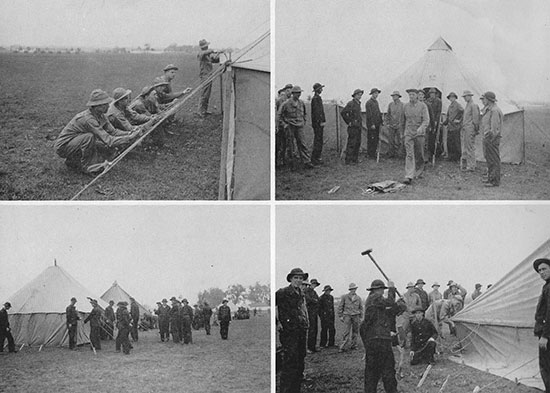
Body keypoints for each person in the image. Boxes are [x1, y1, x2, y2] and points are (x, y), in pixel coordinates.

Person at [54, 90, 140, 174]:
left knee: (101, 146)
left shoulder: (101, 115)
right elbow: (109, 140)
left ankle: (73, 162)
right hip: (63, 147)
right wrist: (129, 138)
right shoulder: (89, 119)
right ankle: (87, 167)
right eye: (105, 104)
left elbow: (113, 132)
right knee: (89, 137)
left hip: (76, 142)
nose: (108, 106)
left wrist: (129, 133)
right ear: (98, 106)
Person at [360, 279, 405, 393]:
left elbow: (390, 309)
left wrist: (400, 304)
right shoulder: (374, 298)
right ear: (376, 290)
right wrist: (392, 288)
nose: (381, 292)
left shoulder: (377, 305)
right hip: (379, 341)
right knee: (385, 369)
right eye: (381, 289)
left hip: (376, 341)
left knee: (376, 371)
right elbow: (389, 302)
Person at [276, 267, 309, 393]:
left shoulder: (301, 293)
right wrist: (277, 322)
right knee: (290, 362)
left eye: (301, 278)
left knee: (300, 361)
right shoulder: (282, 292)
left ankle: (296, 389)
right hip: (289, 332)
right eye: (296, 278)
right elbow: (273, 305)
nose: (298, 280)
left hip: (301, 330)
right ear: (290, 279)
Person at [278, 86, 314, 169]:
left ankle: (306, 162)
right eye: (297, 93)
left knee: (302, 144)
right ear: (293, 94)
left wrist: (304, 121)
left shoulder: (301, 103)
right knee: (290, 146)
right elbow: (279, 115)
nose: (299, 94)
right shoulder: (286, 104)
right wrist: (284, 124)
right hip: (290, 126)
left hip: (299, 126)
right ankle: (292, 163)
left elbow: (304, 113)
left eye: (300, 93)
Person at [402, 88, 429, 184]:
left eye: (413, 95)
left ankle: (419, 171)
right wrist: (403, 133)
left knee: (419, 154)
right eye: (410, 95)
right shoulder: (405, 106)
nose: (411, 96)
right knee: (409, 154)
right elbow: (403, 120)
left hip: (419, 134)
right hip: (408, 133)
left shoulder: (423, 106)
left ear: (417, 95)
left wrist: (421, 128)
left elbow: (426, 120)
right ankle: (409, 175)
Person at [480, 91, 504, 187]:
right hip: (488, 137)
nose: (483, 101)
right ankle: (491, 177)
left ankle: (494, 181)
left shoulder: (494, 110)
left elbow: (494, 128)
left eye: (484, 99)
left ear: (489, 100)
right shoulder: (489, 109)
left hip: (491, 138)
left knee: (493, 159)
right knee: (489, 158)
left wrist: (490, 138)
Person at [534, 258, 550, 391]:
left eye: (544, 269)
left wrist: (545, 335)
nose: (541, 272)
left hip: (547, 333)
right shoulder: (546, 286)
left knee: (546, 366)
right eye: (539, 271)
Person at [197, 39, 221, 117]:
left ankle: (204, 110)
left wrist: (219, 53)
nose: (207, 46)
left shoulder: (207, 55)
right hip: (204, 76)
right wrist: (212, 50)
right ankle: (201, 111)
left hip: (209, 75)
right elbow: (204, 53)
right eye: (206, 45)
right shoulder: (201, 54)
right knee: (204, 94)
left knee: (207, 94)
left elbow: (215, 60)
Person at [341, 89, 364, 165]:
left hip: (358, 126)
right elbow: (343, 112)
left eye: (360, 95)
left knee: (357, 143)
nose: (359, 96)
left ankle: (355, 159)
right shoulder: (351, 103)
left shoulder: (358, 103)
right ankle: (348, 160)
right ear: (354, 95)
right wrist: (349, 122)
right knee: (352, 143)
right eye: (358, 95)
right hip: (353, 127)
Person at [338, 282, 363, 352]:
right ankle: (343, 346)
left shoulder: (358, 298)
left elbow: (361, 308)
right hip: (347, 316)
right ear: (350, 289)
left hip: (356, 316)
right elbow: (340, 307)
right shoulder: (345, 297)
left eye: (354, 289)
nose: (353, 290)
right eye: (352, 289)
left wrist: (361, 317)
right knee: (346, 332)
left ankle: (354, 345)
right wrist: (340, 316)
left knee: (355, 331)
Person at [460, 90, 480, 171]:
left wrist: (475, 129)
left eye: (466, 96)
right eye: (464, 97)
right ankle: (466, 164)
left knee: (470, 147)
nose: (464, 98)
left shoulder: (473, 105)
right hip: (466, 128)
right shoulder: (467, 105)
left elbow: (476, 119)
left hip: (470, 129)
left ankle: (471, 165)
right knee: (465, 147)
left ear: (470, 96)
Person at [275, 84, 293, 167]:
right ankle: (278, 160)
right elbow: (279, 114)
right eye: (289, 90)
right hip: (281, 125)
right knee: (280, 143)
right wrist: (282, 124)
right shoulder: (281, 100)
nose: (291, 92)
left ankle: (283, 159)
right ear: (286, 90)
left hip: (286, 125)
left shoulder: (289, 100)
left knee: (285, 143)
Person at [442, 92, 464, 161]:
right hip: (450, 127)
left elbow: (463, 112)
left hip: (456, 127)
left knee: (456, 143)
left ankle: (458, 157)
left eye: (453, 97)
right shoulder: (450, 106)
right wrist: (443, 123)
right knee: (450, 142)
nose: (451, 99)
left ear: (455, 98)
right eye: (450, 98)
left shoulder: (458, 105)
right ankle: (451, 157)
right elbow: (448, 117)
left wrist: (459, 120)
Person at [365, 88, 383, 159]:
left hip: (377, 124)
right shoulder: (369, 103)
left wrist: (381, 121)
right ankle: (370, 154)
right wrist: (372, 124)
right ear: (372, 94)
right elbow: (369, 115)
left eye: (377, 93)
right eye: (375, 93)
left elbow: (378, 112)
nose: (376, 95)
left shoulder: (376, 102)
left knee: (375, 139)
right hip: (372, 125)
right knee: (371, 139)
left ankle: (373, 153)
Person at [311, 83, 326, 165]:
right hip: (317, 124)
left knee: (319, 140)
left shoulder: (318, 98)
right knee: (318, 140)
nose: (321, 90)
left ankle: (317, 157)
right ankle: (315, 158)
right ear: (317, 90)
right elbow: (317, 112)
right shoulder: (315, 99)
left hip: (319, 123)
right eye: (320, 88)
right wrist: (320, 121)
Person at [386, 91, 404, 158]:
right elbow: (388, 114)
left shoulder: (402, 105)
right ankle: (391, 154)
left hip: (399, 125)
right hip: (391, 125)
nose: (393, 97)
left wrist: (401, 124)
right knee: (391, 140)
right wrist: (387, 123)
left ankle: (400, 154)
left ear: (398, 96)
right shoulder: (390, 104)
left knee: (400, 140)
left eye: (395, 96)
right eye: (393, 96)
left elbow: (403, 116)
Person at [426, 87, 442, 159]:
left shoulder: (438, 101)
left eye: (433, 93)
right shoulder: (427, 101)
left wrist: (436, 121)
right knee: (428, 136)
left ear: (435, 94)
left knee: (435, 136)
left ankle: (435, 152)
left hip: (435, 120)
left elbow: (439, 112)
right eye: (431, 93)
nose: (432, 95)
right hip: (428, 120)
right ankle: (429, 151)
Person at [305, 278, 320, 353]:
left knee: (315, 330)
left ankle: (313, 347)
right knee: (311, 330)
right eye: (313, 284)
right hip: (309, 313)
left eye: (315, 284)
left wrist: (315, 301)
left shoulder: (314, 292)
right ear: (310, 284)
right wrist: (315, 301)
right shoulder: (307, 291)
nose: (314, 285)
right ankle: (309, 348)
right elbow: (309, 300)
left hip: (314, 313)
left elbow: (317, 300)